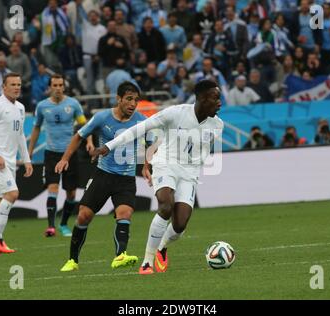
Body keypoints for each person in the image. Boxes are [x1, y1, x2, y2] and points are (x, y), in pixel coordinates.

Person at [91, 79, 223, 274]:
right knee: (165, 205)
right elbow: (139, 129)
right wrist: (108, 146)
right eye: (215, 98)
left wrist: (193, 173)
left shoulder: (218, 125)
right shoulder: (175, 113)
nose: (220, 102)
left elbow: (201, 153)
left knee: (179, 225)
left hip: (189, 173)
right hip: (165, 163)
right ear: (202, 98)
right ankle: (147, 262)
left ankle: (162, 246)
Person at [56, 81, 147, 272]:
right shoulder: (102, 117)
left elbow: (153, 143)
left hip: (126, 179)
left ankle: (120, 255)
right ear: (119, 99)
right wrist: (65, 159)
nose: (132, 104)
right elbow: (79, 136)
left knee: (125, 214)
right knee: (83, 216)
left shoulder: (141, 120)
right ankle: (73, 260)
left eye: (136, 101)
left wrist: (147, 165)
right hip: (103, 175)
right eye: (129, 99)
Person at [28, 74, 91, 237]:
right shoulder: (42, 106)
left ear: (64, 87)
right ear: (49, 87)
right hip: (51, 154)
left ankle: (63, 223)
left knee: (71, 193)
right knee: (53, 188)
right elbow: (36, 128)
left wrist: (89, 141)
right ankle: (51, 226)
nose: (57, 88)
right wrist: (30, 151)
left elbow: (85, 125)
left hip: (70, 154)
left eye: (60, 85)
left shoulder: (73, 104)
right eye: (54, 85)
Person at [0, 73, 33, 255]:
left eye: (19, 84)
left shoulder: (20, 107)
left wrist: (26, 160)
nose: (17, 87)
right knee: (12, 193)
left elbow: (20, 137)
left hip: (10, 162)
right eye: (13, 84)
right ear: (4, 87)